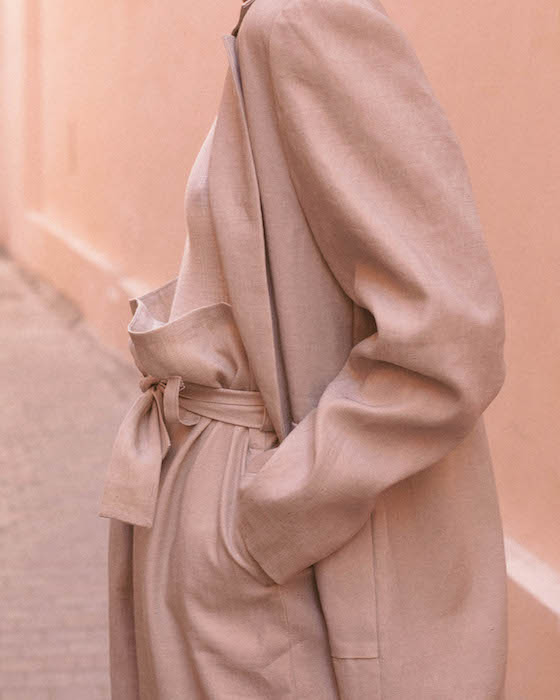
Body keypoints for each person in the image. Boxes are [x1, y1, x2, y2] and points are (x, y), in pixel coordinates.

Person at [100, 0, 508, 698]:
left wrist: (271, 521)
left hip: (267, 571)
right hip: (235, 537)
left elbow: (449, 334)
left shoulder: (305, 19)